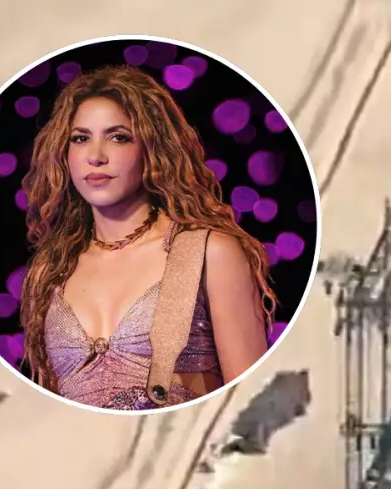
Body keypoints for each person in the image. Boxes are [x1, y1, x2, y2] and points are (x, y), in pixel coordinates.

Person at [16, 65, 276, 411]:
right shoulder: (51, 271)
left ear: (152, 149)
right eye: (80, 138)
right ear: (64, 154)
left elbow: (252, 408)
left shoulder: (207, 252)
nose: (96, 156)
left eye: (118, 137)